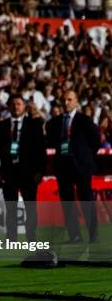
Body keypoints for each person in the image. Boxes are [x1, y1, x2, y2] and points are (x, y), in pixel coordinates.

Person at [46, 90, 100, 244]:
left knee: (86, 200)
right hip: (63, 167)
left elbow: (96, 141)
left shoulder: (84, 120)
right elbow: (50, 141)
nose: (66, 103)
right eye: (64, 99)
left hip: (81, 166)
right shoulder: (54, 122)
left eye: (69, 99)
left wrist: (85, 157)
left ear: (76, 101)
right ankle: (74, 235)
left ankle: (93, 235)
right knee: (67, 202)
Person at [0, 95, 46, 242]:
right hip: (9, 172)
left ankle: (31, 238)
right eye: (13, 104)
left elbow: (41, 150)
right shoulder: (1, 126)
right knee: (10, 208)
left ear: (24, 106)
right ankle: (11, 238)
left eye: (19, 104)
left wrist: (40, 172)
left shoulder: (34, 124)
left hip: (29, 173)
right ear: (8, 107)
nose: (16, 107)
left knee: (30, 208)